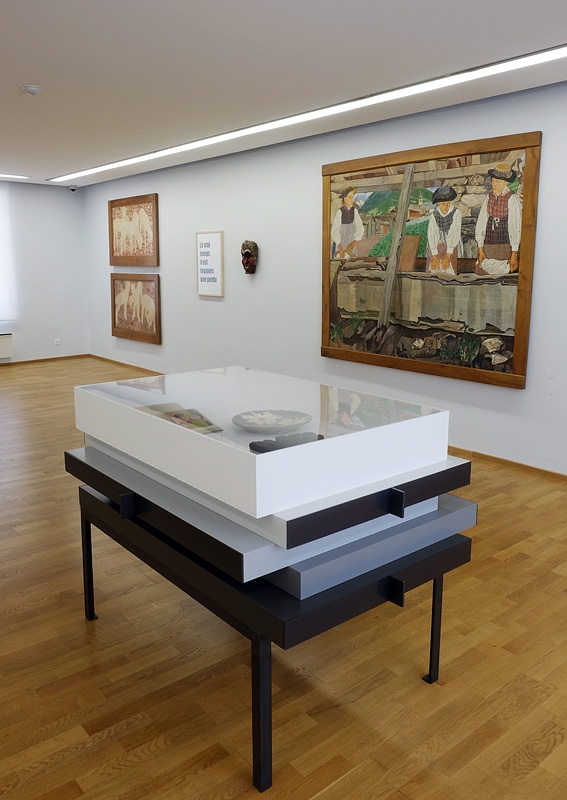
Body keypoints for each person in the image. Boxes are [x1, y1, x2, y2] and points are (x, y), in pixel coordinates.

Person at [475, 163, 522, 276]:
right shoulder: (489, 197)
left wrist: (514, 253)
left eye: (498, 182)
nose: (494, 184)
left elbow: (515, 227)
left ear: (506, 182)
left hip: (505, 245)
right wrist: (480, 248)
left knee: (502, 275)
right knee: (484, 272)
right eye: (493, 181)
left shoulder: (512, 199)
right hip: (489, 244)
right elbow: (482, 222)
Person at [426, 185, 463, 275]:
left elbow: (454, 232)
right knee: (435, 266)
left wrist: (448, 255)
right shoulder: (434, 215)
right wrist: (434, 255)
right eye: (443, 204)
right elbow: (433, 233)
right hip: (437, 240)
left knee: (451, 265)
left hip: (453, 241)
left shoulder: (456, 213)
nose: (446, 207)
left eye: (448, 203)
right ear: (438, 204)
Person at [331, 187, 364, 259]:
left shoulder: (354, 211)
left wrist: (354, 242)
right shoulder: (340, 212)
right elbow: (335, 230)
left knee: (351, 261)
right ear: (345, 199)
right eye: (350, 197)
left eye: (353, 197)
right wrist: (340, 247)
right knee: (341, 260)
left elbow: (360, 227)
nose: (352, 200)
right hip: (341, 242)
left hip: (351, 241)